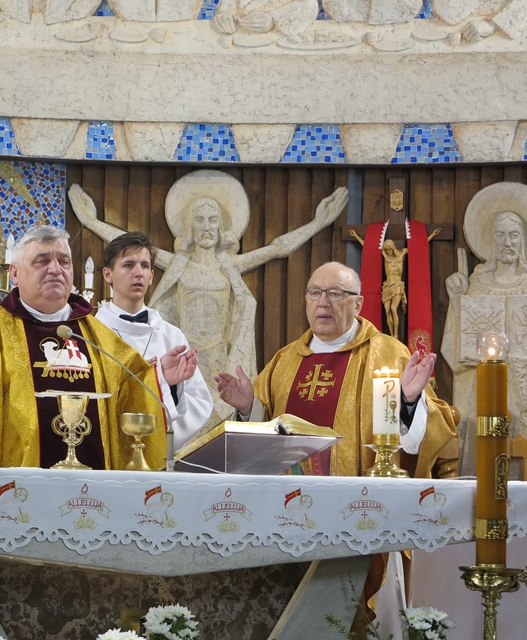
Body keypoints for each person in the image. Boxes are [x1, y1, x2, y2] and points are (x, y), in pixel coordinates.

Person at [69, 171, 348, 426]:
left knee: (216, 429)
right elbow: (132, 249)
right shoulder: (179, 264)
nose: (206, 227)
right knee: (179, 423)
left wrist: (318, 222)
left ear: (221, 227)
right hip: (183, 353)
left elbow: (277, 249)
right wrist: (90, 221)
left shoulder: (229, 265)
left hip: (218, 358)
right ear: (189, 227)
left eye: (213, 220)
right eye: (199, 220)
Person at [0, 225, 168, 469]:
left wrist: (164, 379)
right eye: (42, 261)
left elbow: (134, 395)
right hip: (15, 486)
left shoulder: (100, 338)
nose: (55, 269)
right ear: (15, 273)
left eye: (64, 262)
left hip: (93, 486)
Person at [214, 262, 457, 478]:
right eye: (314, 293)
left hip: (360, 499)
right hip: (286, 496)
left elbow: (435, 432)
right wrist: (248, 408)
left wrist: (409, 402)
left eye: (335, 294)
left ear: (357, 304)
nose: (323, 302)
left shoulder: (388, 354)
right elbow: (260, 439)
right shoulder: (284, 360)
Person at [441, 184, 527, 475]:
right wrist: (457, 300)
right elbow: (459, 348)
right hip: (481, 389)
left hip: (525, 390)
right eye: (500, 235)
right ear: (490, 240)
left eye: (514, 235)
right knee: (484, 464)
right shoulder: (476, 284)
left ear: (523, 240)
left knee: (521, 461)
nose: (507, 242)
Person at [93, 232, 212, 451]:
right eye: (128, 265)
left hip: (158, 455)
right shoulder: (92, 333)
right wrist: (155, 378)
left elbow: (199, 401)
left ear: (151, 276)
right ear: (108, 274)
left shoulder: (172, 336)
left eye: (144, 266)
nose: (138, 273)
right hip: (106, 451)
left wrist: (172, 387)